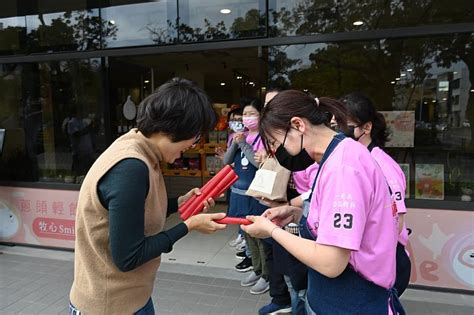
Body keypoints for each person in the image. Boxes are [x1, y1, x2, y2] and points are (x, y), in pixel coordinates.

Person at [69, 78, 227, 315]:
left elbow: (132, 215)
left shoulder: (140, 149)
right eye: (195, 136)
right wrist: (189, 226)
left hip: (131, 297)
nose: (194, 145)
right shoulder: (131, 166)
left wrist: (179, 203)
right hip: (109, 306)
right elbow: (129, 257)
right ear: (173, 128)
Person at [242, 90, 405, 314]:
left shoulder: (343, 168)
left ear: (298, 125)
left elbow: (331, 262)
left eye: (276, 142)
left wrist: (271, 231)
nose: (279, 152)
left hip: (351, 301)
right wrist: (295, 214)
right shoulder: (338, 154)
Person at [339, 92, 411, 296]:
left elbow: (396, 222)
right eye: (335, 123)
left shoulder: (381, 165)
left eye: (345, 125)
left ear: (366, 127)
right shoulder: (353, 159)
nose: (338, 131)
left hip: (383, 265)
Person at [223, 97, 271, 295]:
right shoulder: (240, 135)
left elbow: (257, 162)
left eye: (252, 114)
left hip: (258, 194)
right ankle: (256, 268)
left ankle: (266, 275)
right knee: (247, 232)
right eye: (245, 114)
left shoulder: (264, 137)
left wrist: (243, 144)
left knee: (260, 236)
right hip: (240, 192)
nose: (247, 118)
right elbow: (227, 160)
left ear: (261, 116)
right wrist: (236, 142)